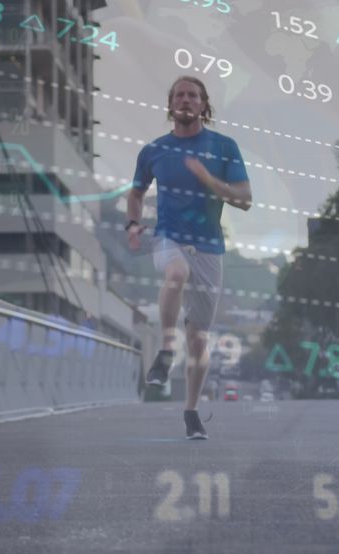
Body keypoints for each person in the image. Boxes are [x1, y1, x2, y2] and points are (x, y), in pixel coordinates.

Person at [126, 76, 252, 440]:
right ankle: (167, 348)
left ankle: (192, 412)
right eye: (179, 95)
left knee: (198, 339)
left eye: (193, 95)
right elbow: (136, 194)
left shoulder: (224, 147)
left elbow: (245, 200)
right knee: (176, 273)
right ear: (170, 104)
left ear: (204, 105)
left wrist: (210, 180)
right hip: (169, 237)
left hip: (210, 248)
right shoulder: (153, 151)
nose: (185, 100)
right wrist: (133, 224)